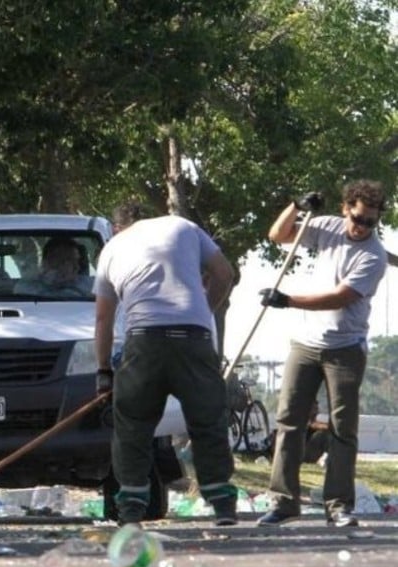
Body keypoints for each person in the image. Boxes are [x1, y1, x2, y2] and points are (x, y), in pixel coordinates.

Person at [94, 200, 238, 526]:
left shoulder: (112, 248)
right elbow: (224, 273)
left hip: (144, 342)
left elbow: (103, 318)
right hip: (194, 339)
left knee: (133, 425)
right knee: (208, 420)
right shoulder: (183, 226)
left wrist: (103, 371)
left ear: (116, 228)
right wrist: (205, 311)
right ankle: (222, 506)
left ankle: (131, 510)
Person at [255, 180, 388, 528]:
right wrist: (296, 206)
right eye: (358, 218)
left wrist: (287, 300)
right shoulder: (327, 225)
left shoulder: (374, 256)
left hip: (345, 349)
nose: (362, 227)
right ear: (346, 209)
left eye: (370, 222)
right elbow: (278, 235)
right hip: (305, 344)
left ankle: (338, 506)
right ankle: (284, 503)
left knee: (342, 429)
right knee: (288, 422)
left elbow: (339, 297)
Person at [14, 236, 92, 297]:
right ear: (49, 263)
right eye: (69, 261)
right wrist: (52, 283)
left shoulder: (88, 284)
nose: (77, 267)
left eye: (77, 261)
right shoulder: (28, 287)